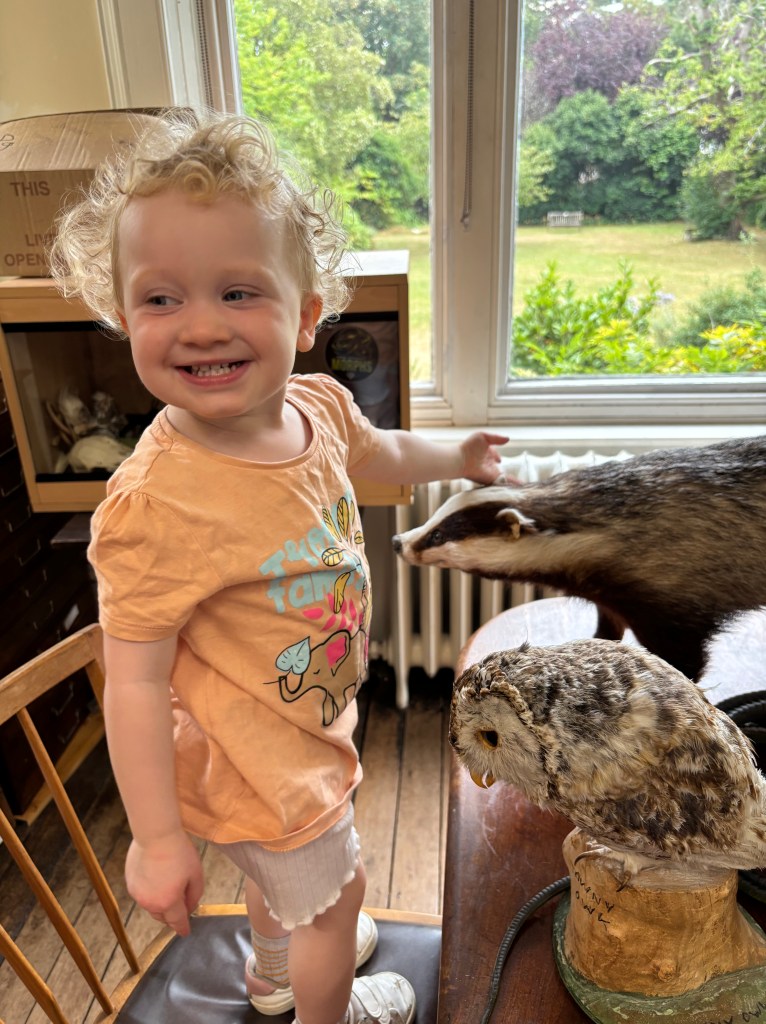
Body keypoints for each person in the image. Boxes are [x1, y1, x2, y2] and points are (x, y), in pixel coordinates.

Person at [50, 109, 508, 1024]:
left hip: (304, 724)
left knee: (282, 882)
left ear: (305, 317)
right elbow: (134, 681)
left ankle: (271, 970)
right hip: (260, 764)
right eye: (161, 298)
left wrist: (457, 455)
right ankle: (321, 1006)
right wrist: (155, 841)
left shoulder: (318, 407)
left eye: (237, 292)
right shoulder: (155, 505)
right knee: (338, 901)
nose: (200, 327)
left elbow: (376, 456)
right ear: (121, 314)